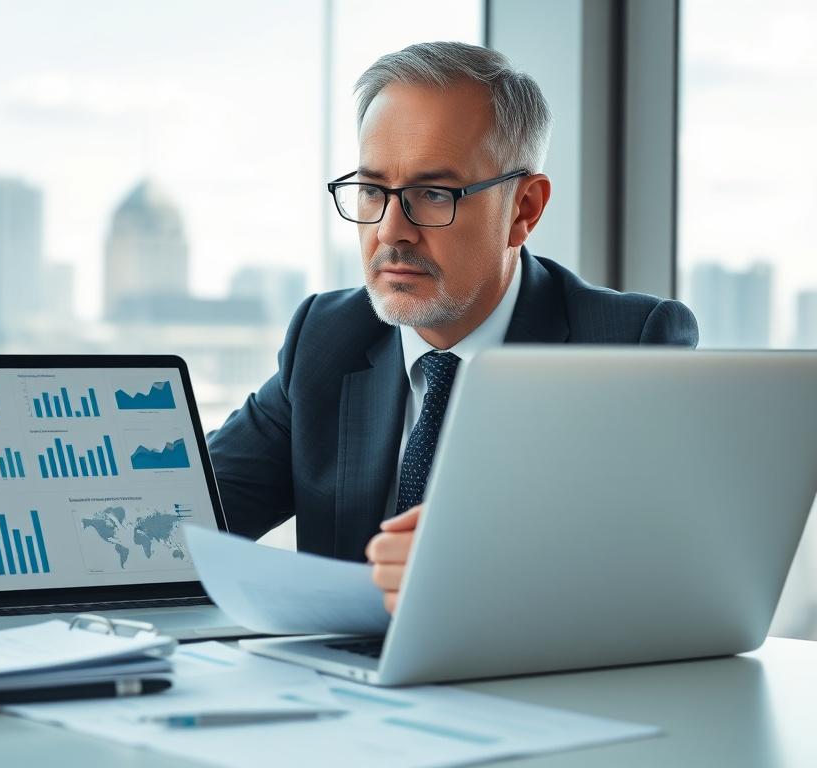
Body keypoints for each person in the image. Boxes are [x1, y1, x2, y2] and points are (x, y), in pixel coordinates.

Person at [207, 42, 697, 615]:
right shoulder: (326, 336)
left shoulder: (625, 346)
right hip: (343, 689)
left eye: (433, 194)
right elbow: (194, 521)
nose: (392, 231)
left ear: (524, 210)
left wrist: (486, 574)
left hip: (531, 691)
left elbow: (673, 579)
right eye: (372, 190)